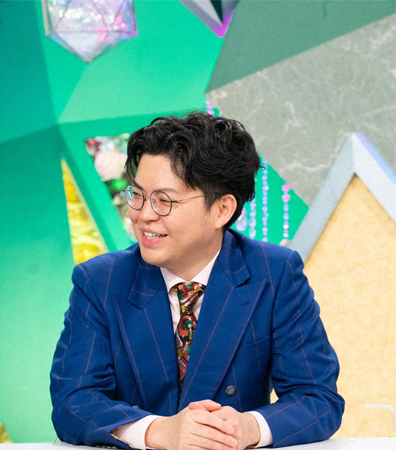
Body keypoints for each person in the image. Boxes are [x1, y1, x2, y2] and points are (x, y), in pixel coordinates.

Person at [50, 112, 343, 450]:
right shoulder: (100, 281)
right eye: (138, 195)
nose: (143, 215)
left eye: (164, 201)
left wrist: (247, 427)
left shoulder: (275, 274)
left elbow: (318, 398)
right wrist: (157, 431)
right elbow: (73, 400)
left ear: (222, 210)